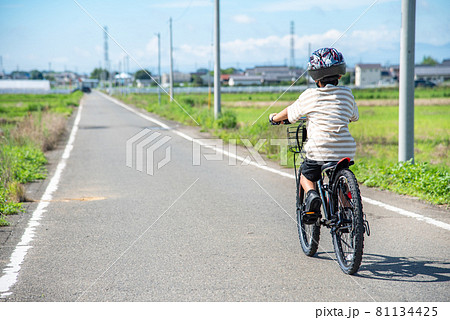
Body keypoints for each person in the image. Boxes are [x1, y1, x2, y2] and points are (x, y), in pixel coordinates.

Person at [269, 47, 359, 216]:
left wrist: (274, 118)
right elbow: (354, 117)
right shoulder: (347, 94)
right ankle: (347, 210)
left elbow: (290, 113)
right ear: (340, 74)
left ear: (315, 78)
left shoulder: (310, 95)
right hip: (345, 150)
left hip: (320, 150)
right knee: (338, 178)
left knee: (306, 173)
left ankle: (311, 195)